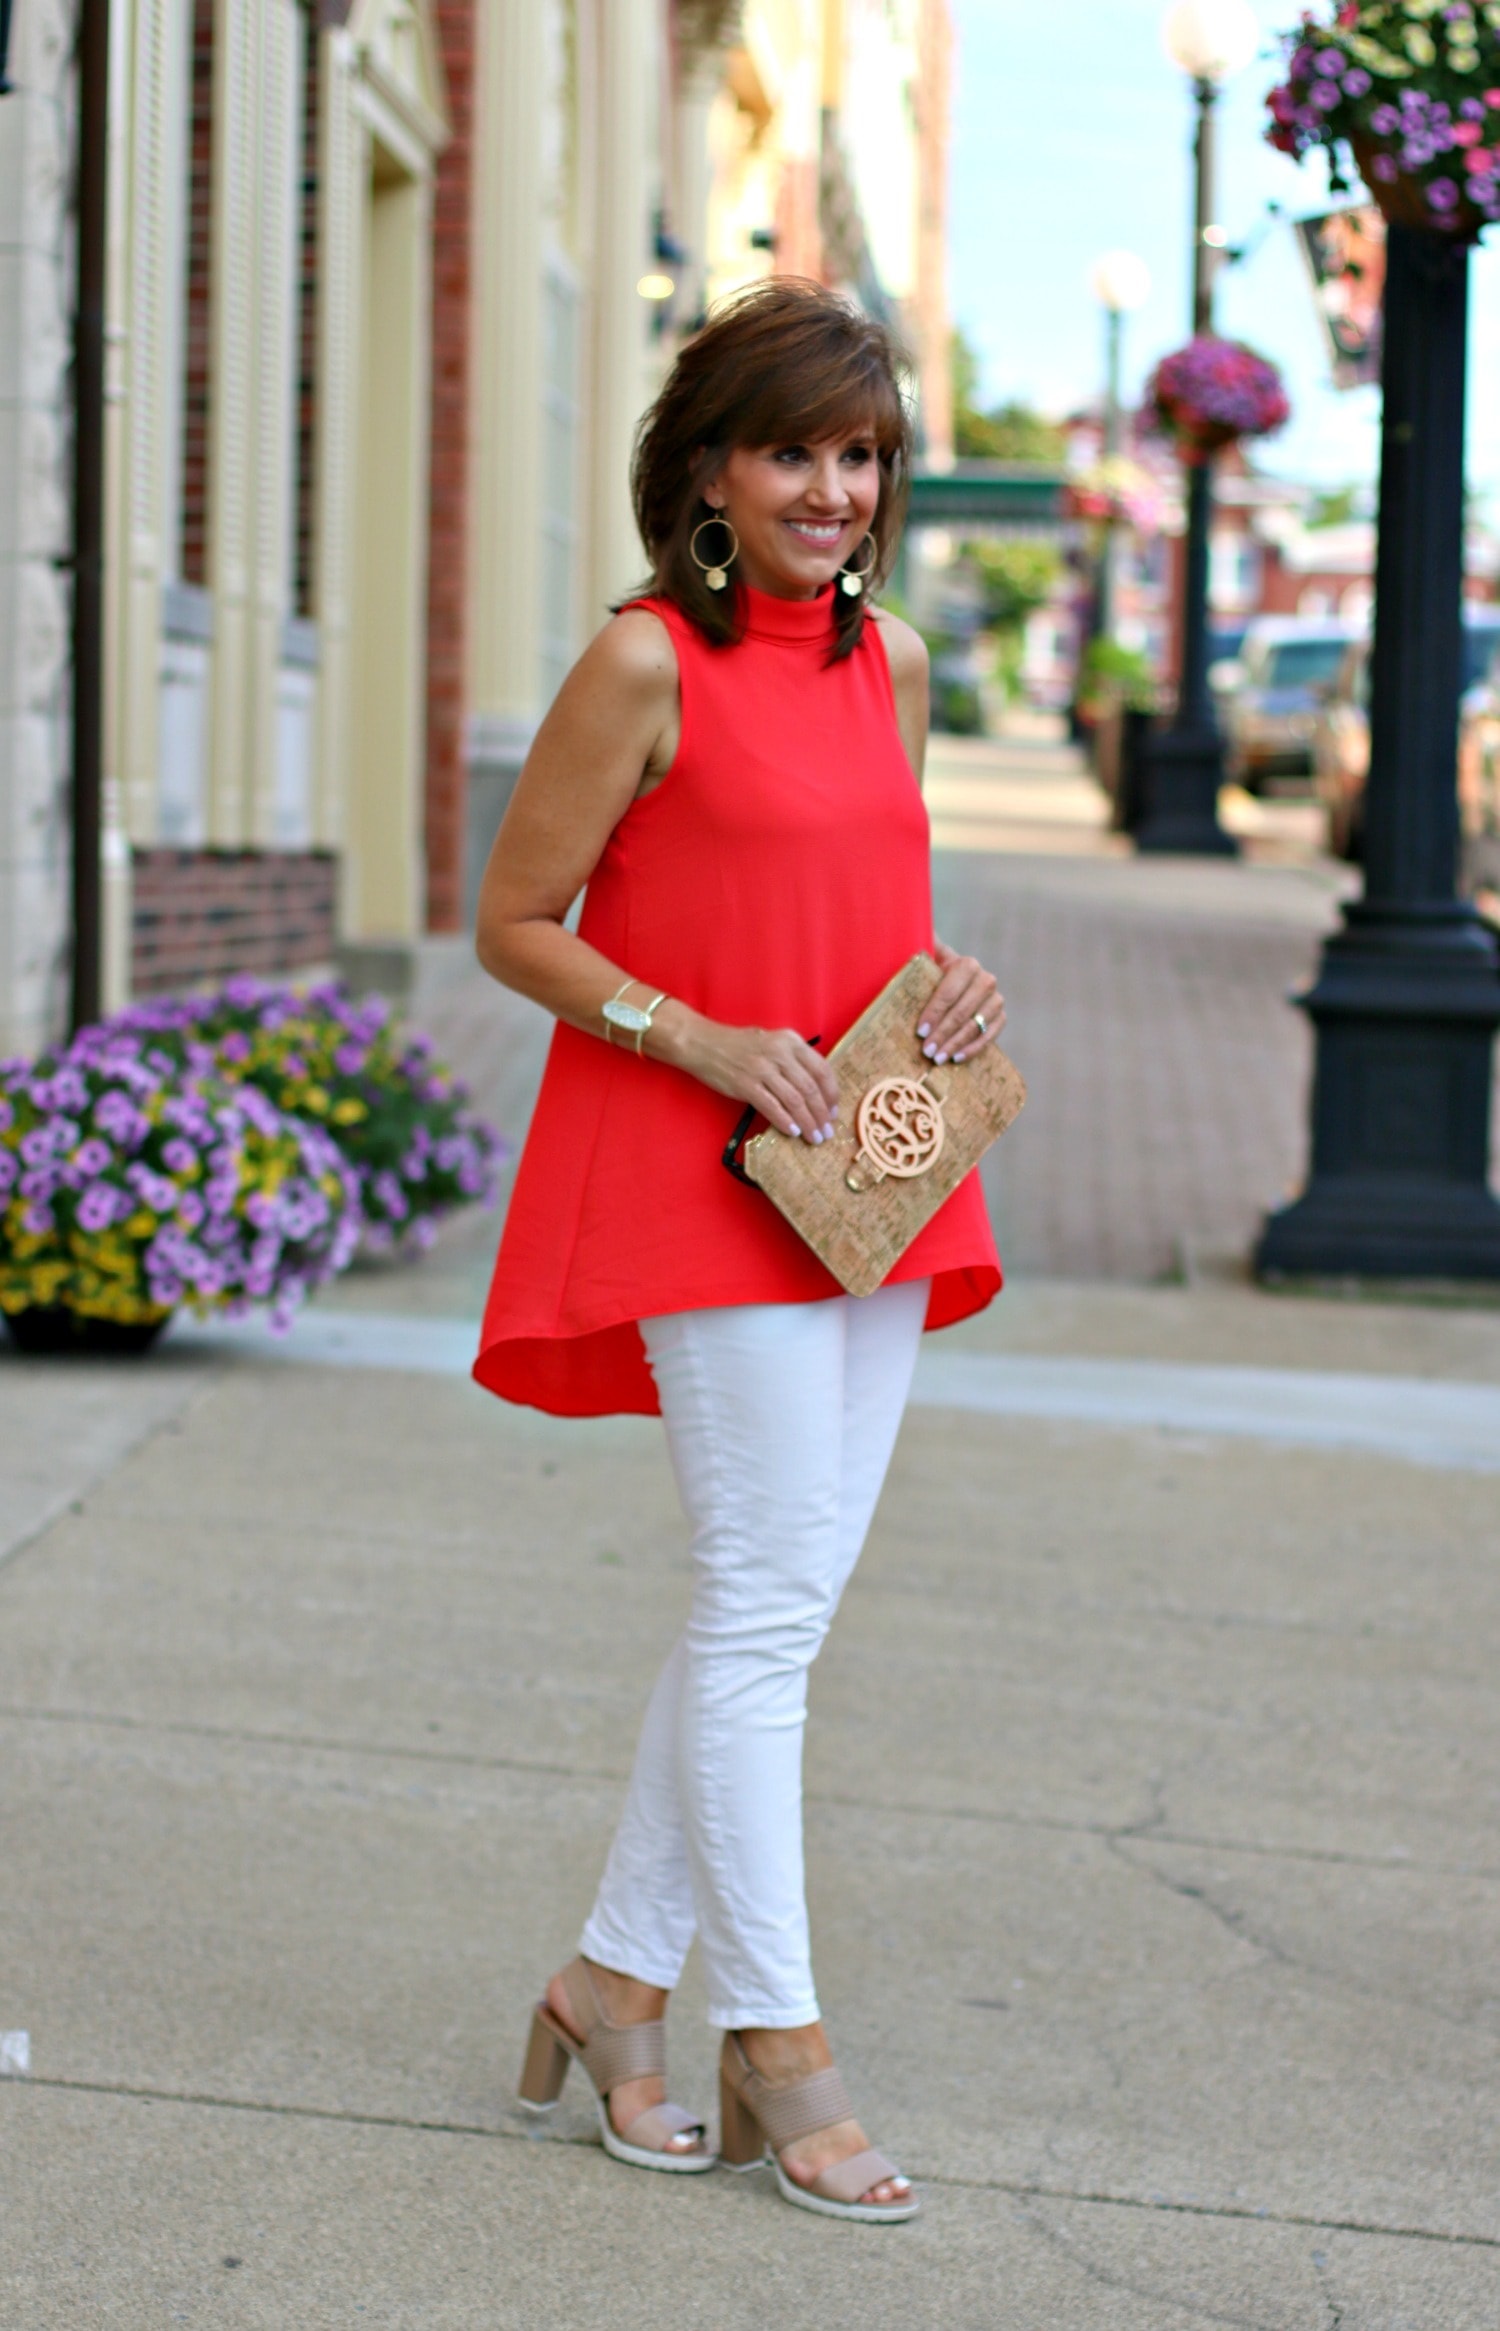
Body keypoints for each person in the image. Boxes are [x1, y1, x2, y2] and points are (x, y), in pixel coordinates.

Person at [473, 279, 1005, 2223]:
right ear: (709, 463)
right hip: (697, 1169)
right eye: (794, 448)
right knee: (767, 1605)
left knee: (768, 1608)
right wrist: (689, 1032)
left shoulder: (904, 666)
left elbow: (862, 908)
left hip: (871, 1166)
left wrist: (937, 994)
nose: (833, 488)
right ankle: (775, 2034)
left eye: (861, 456)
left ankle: (612, 1982)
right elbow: (515, 921)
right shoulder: (641, 665)